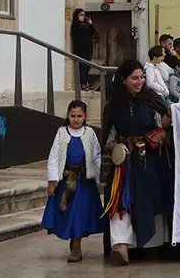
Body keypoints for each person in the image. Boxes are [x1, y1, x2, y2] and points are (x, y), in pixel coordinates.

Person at [100, 59, 180, 265]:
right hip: (125, 165)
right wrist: (117, 149)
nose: (140, 81)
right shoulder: (113, 105)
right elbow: (108, 138)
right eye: (134, 78)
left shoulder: (152, 99)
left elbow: (162, 124)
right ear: (124, 80)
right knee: (120, 201)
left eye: (142, 77)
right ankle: (121, 246)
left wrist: (170, 117)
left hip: (151, 161)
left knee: (153, 199)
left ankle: (155, 245)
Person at [42, 100, 105, 263]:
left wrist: (100, 174)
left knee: (80, 213)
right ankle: (74, 241)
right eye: (73, 116)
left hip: (84, 182)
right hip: (67, 182)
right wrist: (52, 180)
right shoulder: (62, 133)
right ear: (68, 116)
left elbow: (97, 155)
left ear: (85, 117)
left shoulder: (90, 133)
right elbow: (54, 156)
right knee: (69, 212)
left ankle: (76, 245)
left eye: (79, 116)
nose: (76, 119)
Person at [70, 9, 95, 90]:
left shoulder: (85, 25)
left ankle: (86, 82)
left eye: (83, 15)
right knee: (82, 67)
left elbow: (92, 33)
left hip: (88, 49)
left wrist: (90, 24)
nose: (82, 17)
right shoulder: (76, 25)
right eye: (80, 15)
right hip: (81, 49)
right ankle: (82, 83)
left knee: (87, 66)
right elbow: (77, 36)